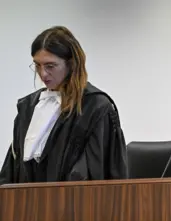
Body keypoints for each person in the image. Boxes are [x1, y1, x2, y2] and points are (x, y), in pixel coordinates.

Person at [0, 26, 128, 184]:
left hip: (74, 205)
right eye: (37, 65)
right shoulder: (29, 107)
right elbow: (12, 169)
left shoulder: (96, 107)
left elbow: (98, 173)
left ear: (71, 64)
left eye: (50, 66)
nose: (43, 73)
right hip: (29, 205)